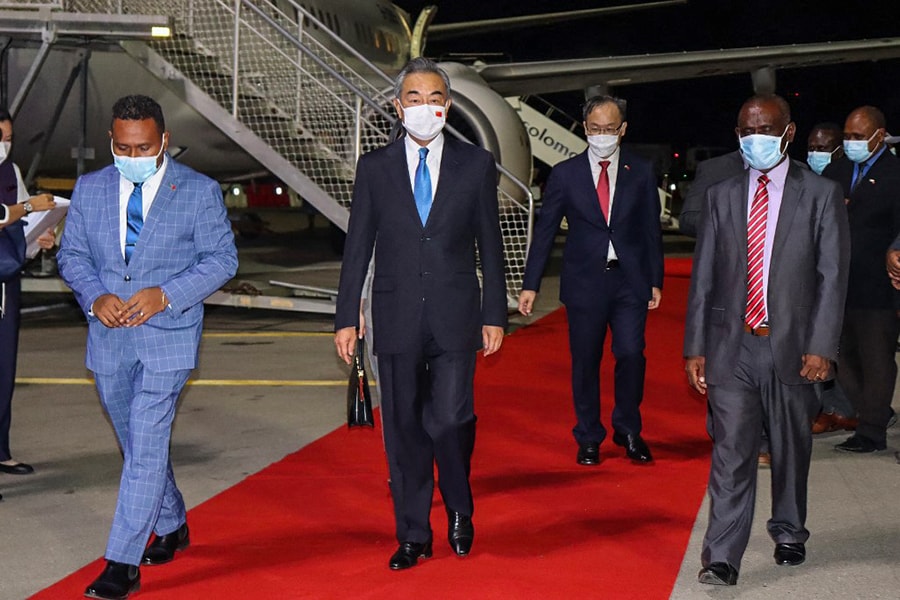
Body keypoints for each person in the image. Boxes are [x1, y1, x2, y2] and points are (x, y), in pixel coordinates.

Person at [57, 95, 237, 600]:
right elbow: (72, 256)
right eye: (120, 147)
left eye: (141, 147)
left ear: (162, 142)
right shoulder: (90, 189)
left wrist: (166, 295)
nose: (131, 155)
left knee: (146, 439)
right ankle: (173, 522)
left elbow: (222, 260)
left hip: (170, 336)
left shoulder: (198, 191)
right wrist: (96, 297)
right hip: (109, 336)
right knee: (138, 443)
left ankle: (122, 561)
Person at [333, 57, 506, 571]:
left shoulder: (475, 165)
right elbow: (358, 246)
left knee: (452, 420)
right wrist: (347, 317)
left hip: (457, 316)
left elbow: (490, 247)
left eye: (435, 99)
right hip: (396, 314)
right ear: (397, 106)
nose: (424, 107)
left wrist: (494, 313)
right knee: (403, 430)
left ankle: (458, 507)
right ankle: (413, 533)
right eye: (414, 98)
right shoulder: (375, 167)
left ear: (447, 106)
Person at [684, 94, 849, 586]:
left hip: (795, 348)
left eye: (764, 128)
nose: (754, 138)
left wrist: (821, 346)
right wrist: (696, 346)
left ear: (788, 132)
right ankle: (721, 555)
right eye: (745, 130)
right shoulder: (721, 194)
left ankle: (789, 530)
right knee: (731, 451)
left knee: (791, 447)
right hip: (732, 348)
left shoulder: (819, 194)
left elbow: (831, 277)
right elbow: (704, 277)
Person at [519, 94, 663, 466]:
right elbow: (545, 231)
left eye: (610, 129)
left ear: (623, 130)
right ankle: (588, 435)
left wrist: (655, 280)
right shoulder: (565, 174)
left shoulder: (641, 171)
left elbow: (651, 230)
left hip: (630, 281)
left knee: (631, 354)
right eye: (595, 129)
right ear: (585, 128)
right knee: (585, 361)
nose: (602, 135)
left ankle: (628, 429)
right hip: (585, 284)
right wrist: (530, 284)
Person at [822, 106, 900, 454]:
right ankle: (874, 414)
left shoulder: (896, 172)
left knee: (876, 358)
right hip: (836, 284)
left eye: (857, 137)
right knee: (842, 359)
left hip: (878, 285)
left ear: (879, 136)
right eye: (847, 137)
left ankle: (871, 431)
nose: (850, 143)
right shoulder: (836, 171)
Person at [0, 108, 57, 478]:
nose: (4, 146)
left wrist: (40, 236)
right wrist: (28, 206)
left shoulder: (12, 171)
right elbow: (12, 213)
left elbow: (20, 228)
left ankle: (0, 449)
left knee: (4, 368)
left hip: (4, 281)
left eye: (9, 139)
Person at [678, 149, 744, 237]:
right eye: (751, 134)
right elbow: (688, 219)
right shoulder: (713, 169)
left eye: (766, 134)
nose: (758, 136)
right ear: (738, 134)